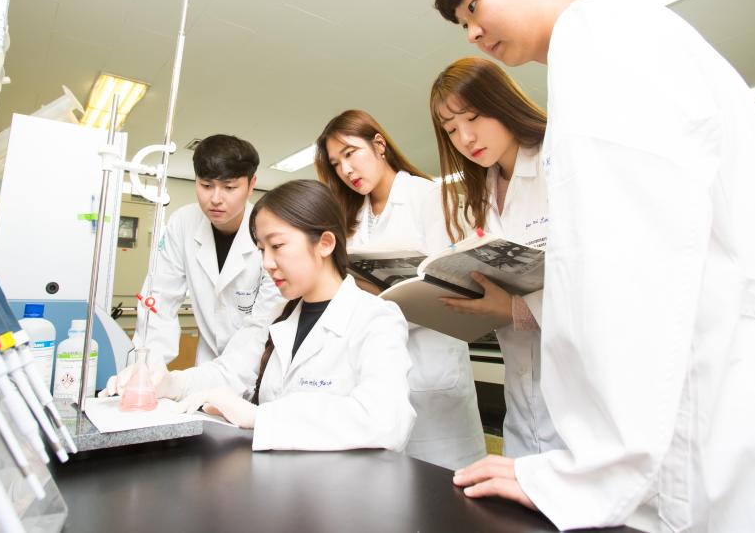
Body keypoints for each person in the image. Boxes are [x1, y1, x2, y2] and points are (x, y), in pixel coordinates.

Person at [433, 0, 755, 531]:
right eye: (461, 23)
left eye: (474, 5)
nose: (471, 32)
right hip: (737, 398)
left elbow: (630, 265)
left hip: (721, 406)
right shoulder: (613, 40)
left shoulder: (601, 36)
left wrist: (583, 473)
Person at [116, 179, 416, 452]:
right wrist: (172, 384)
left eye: (277, 246)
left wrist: (261, 417)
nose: (267, 263)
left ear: (325, 243)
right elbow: (231, 371)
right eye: (261, 249)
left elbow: (387, 421)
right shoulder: (278, 314)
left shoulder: (375, 318)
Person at [314, 109, 486, 470]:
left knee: (447, 485)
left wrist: (380, 301)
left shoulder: (429, 197)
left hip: (431, 372)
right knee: (390, 487)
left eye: (350, 153)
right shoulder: (352, 218)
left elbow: (454, 286)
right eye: (336, 164)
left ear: (379, 145)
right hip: (374, 373)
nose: (346, 170)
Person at [427, 58, 563, 461]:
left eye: (472, 117)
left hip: (583, 392)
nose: (465, 137)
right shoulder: (479, 196)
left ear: (501, 102)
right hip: (523, 405)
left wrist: (518, 309)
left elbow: (603, 280)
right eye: (451, 130)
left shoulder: (557, 161)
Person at [106, 134, 283, 393]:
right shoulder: (183, 223)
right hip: (207, 366)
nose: (216, 198)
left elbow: (262, 325)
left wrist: (182, 383)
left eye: (229, 187)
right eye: (206, 185)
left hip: (258, 370)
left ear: (251, 184)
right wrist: (146, 368)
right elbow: (159, 300)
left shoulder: (272, 233)